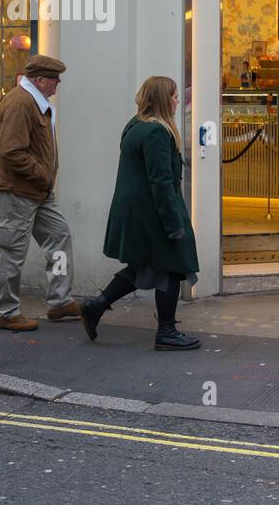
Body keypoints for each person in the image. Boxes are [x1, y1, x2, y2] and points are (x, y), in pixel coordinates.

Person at [81, 75, 201, 351]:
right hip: (152, 212)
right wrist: (173, 224)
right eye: (172, 96)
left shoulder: (135, 125)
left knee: (144, 266)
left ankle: (96, 306)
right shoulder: (157, 132)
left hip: (136, 211)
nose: (177, 100)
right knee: (172, 265)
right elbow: (160, 181)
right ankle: (167, 331)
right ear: (162, 99)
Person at [0, 54, 80, 331]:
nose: (58, 83)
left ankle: (60, 301)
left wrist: (44, 181)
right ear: (40, 80)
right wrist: (42, 174)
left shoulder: (36, 102)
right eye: (55, 79)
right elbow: (11, 151)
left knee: (59, 236)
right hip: (19, 190)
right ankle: (5, 312)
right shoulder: (21, 103)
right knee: (12, 251)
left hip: (38, 191)